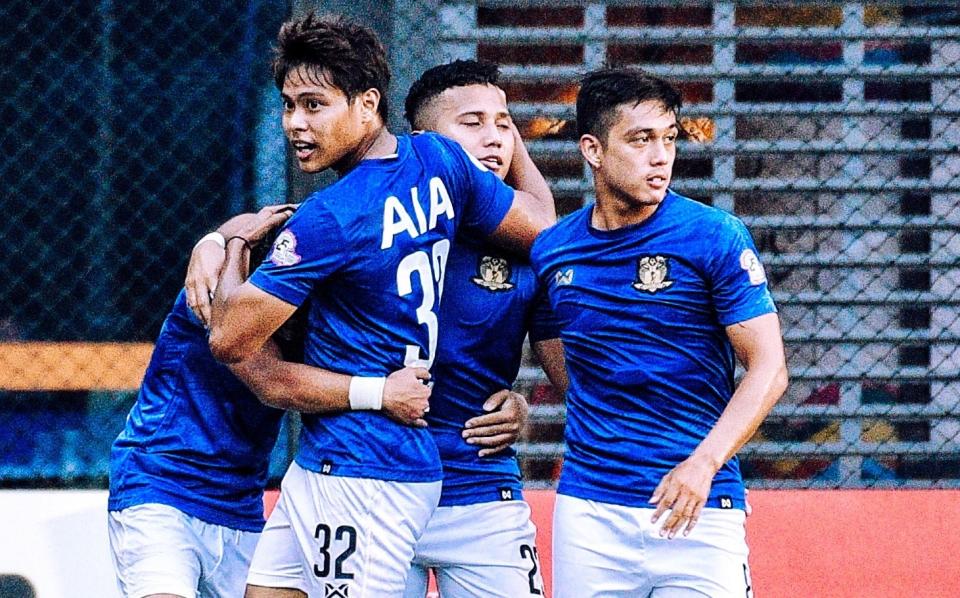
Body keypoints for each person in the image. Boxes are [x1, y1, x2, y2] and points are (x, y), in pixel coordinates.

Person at [206, 14, 551, 598]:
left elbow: (228, 338)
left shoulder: (331, 217)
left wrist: (232, 242)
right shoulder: (440, 162)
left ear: (368, 105)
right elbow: (542, 225)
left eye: (315, 106)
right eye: (289, 107)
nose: (296, 124)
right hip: (336, 461)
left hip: (366, 464)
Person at [529, 67, 789, 597]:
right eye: (640, 139)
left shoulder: (712, 234)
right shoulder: (553, 251)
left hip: (699, 508)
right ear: (593, 150)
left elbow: (769, 368)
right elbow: (560, 360)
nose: (661, 155)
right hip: (591, 511)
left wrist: (703, 463)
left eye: (669, 138)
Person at [107, 206, 434, 598]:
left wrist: (215, 239)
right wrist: (381, 393)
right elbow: (272, 382)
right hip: (160, 488)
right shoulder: (215, 294)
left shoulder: (318, 321)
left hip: (241, 504)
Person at [400, 59, 565, 598]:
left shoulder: (525, 248)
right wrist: (220, 241)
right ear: (424, 140)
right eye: (472, 123)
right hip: (376, 482)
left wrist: (522, 406)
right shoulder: (381, 221)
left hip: (482, 485)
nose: (495, 138)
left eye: (504, 124)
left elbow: (573, 378)